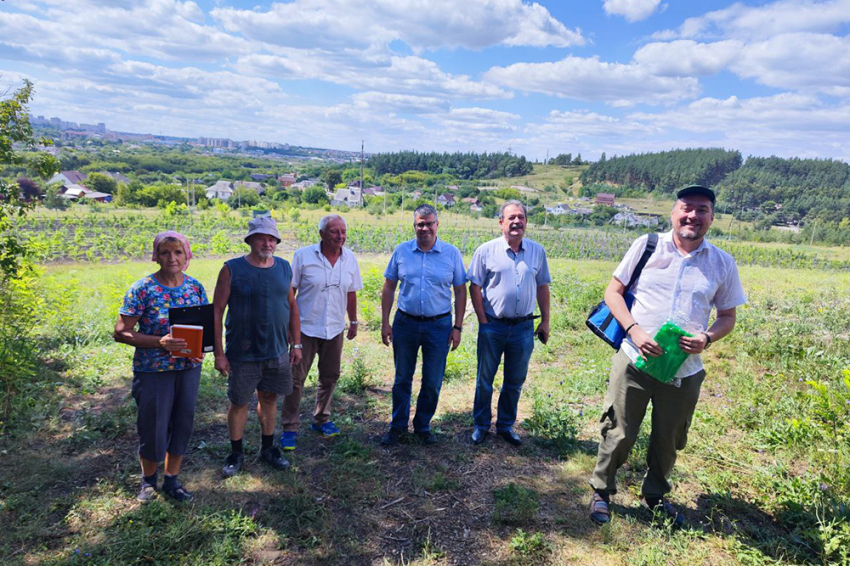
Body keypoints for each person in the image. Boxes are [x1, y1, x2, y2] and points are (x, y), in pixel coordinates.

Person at [588, 185, 746, 526]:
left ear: (712, 218)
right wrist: (634, 331)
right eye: (686, 208)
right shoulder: (647, 247)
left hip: (684, 370)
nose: (693, 216)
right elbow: (613, 293)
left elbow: (728, 316)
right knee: (619, 431)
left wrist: (708, 337)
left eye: (702, 210)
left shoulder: (722, 263)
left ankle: (655, 495)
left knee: (669, 437)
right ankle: (601, 490)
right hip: (634, 360)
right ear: (673, 213)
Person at [114, 231, 208, 502]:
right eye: (165, 252)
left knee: (182, 422)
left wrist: (201, 349)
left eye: (178, 252)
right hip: (153, 369)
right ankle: (147, 481)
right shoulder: (142, 289)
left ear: (186, 255)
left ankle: (172, 480)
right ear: (156, 256)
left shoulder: (194, 288)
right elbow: (121, 332)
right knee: (153, 425)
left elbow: (202, 326)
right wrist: (160, 342)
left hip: (187, 368)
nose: (172, 258)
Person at [213, 216, 302, 477]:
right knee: (239, 402)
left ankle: (267, 448)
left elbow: (292, 306)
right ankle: (236, 452)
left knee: (270, 398)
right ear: (250, 240)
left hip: (276, 350)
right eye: (262, 237)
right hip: (243, 352)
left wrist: (296, 344)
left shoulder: (284, 268)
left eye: (272, 238)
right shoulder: (232, 269)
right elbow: (217, 311)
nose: (267, 242)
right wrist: (219, 353)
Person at [380, 204, 467, 446]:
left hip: (439, 326)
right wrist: (385, 322)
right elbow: (389, 287)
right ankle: (397, 426)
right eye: (420, 223)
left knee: (432, 379)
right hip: (405, 323)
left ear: (437, 225)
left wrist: (457, 327)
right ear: (414, 226)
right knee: (401, 378)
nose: (425, 228)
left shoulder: (451, 254)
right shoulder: (402, 251)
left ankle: (422, 426)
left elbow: (461, 292)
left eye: (429, 223)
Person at [467, 200, 551, 446]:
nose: (517, 222)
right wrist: (483, 320)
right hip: (493, 325)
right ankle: (481, 425)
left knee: (514, 381)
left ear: (526, 222)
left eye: (521, 217)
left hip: (523, 329)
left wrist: (545, 321)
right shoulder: (486, 251)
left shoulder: (537, 251)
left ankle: (505, 425)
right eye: (511, 217)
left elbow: (543, 287)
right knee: (485, 379)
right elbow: (474, 287)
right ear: (501, 222)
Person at [279, 215, 362, 450]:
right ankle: (289, 426)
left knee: (330, 376)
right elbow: (290, 292)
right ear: (322, 234)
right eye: (334, 231)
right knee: (295, 379)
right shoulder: (303, 256)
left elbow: (352, 292)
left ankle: (321, 419)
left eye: (343, 231)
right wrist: (289, 327)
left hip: (334, 327)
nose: (340, 236)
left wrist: (353, 320)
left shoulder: (350, 259)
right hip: (305, 327)